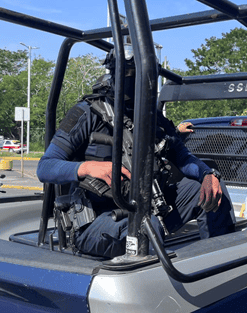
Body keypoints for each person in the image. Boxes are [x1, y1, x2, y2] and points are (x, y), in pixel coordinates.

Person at [37, 51, 235, 258]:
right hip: (99, 220)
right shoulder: (87, 112)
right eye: (131, 73)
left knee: (213, 186)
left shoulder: (153, 118)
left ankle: (220, 261)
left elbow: (183, 157)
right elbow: (45, 167)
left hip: (150, 208)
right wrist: (86, 168)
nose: (137, 81)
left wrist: (206, 173)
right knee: (145, 228)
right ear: (115, 74)